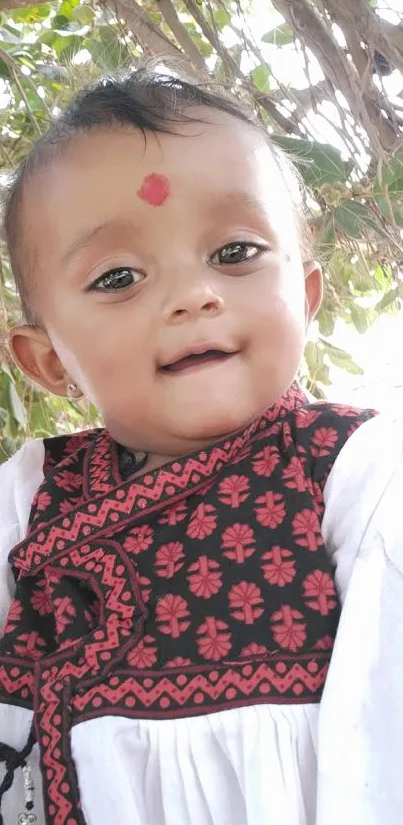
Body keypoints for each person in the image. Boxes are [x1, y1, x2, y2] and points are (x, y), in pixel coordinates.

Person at [0, 63, 401, 825]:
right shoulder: (25, 502)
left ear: (306, 296)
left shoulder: (357, 475)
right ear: (48, 360)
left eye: (235, 253)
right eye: (119, 275)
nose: (195, 293)